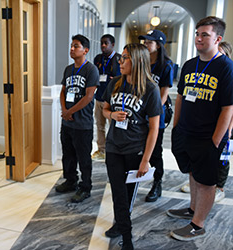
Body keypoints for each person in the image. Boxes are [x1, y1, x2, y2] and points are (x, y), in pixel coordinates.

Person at [169, 16, 233, 241]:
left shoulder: (225, 67)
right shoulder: (189, 65)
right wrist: (176, 127)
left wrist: (216, 141)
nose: (199, 38)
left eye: (205, 34)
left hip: (208, 137)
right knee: (193, 174)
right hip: (185, 132)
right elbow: (179, 98)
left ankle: (198, 224)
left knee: (207, 182)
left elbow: (228, 108)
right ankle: (192, 209)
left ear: (218, 38)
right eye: (197, 34)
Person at [102, 43, 162, 250]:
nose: (120, 61)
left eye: (125, 58)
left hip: (134, 150)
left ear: (137, 61)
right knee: (119, 194)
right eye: (121, 57)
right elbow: (105, 109)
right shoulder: (116, 83)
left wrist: (146, 160)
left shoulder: (150, 89)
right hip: (113, 148)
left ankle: (121, 224)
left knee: (127, 195)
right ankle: (127, 240)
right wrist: (111, 115)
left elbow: (154, 128)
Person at [180, 40, 233, 203]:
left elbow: (229, 108)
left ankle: (219, 187)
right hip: (197, 129)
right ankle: (195, 202)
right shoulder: (196, 67)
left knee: (221, 161)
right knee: (198, 166)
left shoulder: (227, 70)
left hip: (220, 130)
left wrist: (227, 132)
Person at [55, 34, 99, 203]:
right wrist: (65, 110)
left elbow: (89, 96)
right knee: (68, 154)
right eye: (71, 46)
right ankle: (70, 180)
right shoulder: (68, 69)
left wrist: (70, 111)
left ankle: (85, 187)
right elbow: (63, 91)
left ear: (85, 50)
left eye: (76, 46)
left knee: (83, 157)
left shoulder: (91, 70)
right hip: (67, 121)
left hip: (83, 123)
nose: (72, 49)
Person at [138, 30, 174, 202]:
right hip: (138, 112)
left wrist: (151, 113)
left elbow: (163, 95)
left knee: (155, 152)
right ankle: (135, 179)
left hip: (155, 116)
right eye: (145, 42)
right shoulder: (142, 62)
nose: (145, 44)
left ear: (158, 45)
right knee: (137, 148)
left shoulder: (166, 65)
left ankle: (157, 183)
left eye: (149, 42)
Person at [92, 34, 121, 160]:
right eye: (102, 43)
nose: (103, 46)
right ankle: (101, 150)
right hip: (99, 97)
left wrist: (114, 80)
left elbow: (120, 79)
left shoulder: (119, 59)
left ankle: (112, 151)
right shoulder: (98, 58)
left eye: (106, 43)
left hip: (112, 100)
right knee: (99, 126)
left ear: (112, 45)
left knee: (113, 127)